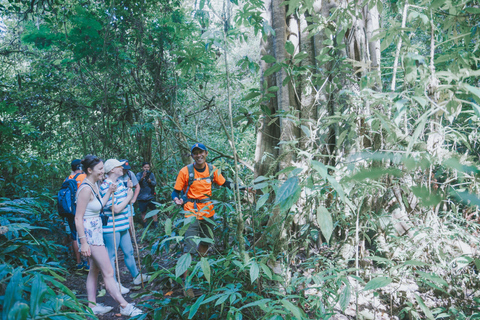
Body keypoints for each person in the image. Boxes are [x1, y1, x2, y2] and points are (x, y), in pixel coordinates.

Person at [75, 155, 142, 316]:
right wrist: (83, 243)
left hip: (95, 231)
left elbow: (99, 206)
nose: (102, 172)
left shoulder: (93, 185)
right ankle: (125, 306)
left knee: (94, 271)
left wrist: (109, 192)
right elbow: (78, 217)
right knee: (108, 272)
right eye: (99, 169)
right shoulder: (85, 189)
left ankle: (92, 305)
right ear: (90, 170)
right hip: (90, 235)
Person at [172, 143, 247, 256]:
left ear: (206, 153)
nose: (199, 156)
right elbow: (175, 192)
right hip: (191, 212)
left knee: (205, 242)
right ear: (192, 156)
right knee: (189, 246)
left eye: (201, 152)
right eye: (195, 153)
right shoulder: (185, 171)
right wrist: (176, 199)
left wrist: (244, 188)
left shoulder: (212, 170)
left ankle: (202, 269)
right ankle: (186, 272)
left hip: (208, 211)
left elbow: (225, 183)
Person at [100, 159, 150, 294]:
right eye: (119, 166)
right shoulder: (105, 186)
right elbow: (115, 209)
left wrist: (129, 190)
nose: (122, 168)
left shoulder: (119, 183)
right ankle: (113, 284)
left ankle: (136, 276)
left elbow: (125, 203)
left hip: (122, 224)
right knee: (111, 256)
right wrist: (129, 197)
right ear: (112, 170)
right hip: (111, 226)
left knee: (129, 251)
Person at [64, 159, 88, 271]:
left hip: (70, 212)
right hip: (81, 211)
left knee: (74, 236)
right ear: (80, 167)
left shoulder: (67, 179)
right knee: (84, 234)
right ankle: (87, 262)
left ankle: (78, 263)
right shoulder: (83, 177)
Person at [118, 159, 140, 228]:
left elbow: (137, 187)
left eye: (126, 169)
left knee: (130, 223)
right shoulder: (115, 175)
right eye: (124, 169)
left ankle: (131, 238)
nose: (125, 171)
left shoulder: (130, 174)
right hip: (118, 203)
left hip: (128, 203)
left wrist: (134, 199)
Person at [136, 162, 157, 228]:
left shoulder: (151, 174)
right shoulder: (139, 174)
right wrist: (142, 177)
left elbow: (155, 183)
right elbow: (136, 183)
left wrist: (150, 182)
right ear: (142, 168)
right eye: (145, 167)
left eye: (147, 167)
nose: (146, 169)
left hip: (150, 196)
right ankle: (146, 226)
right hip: (141, 197)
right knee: (143, 212)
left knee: (153, 211)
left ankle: (156, 225)